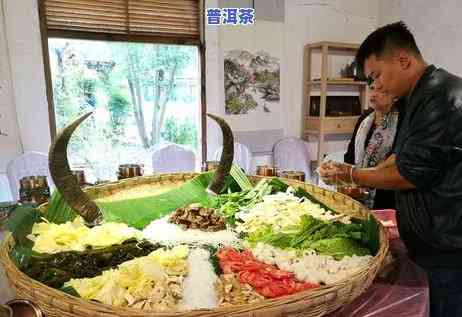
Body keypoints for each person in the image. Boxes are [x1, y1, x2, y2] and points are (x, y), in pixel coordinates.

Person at [319, 21, 462, 317]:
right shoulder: (420, 95)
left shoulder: (440, 98)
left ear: (403, 60)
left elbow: (407, 173)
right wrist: (352, 170)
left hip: (450, 244)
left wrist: (350, 174)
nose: (376, 86)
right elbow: (400, 158)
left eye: (377, 76)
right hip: (434, 242)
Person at [343, 88, 403, 209]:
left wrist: (368, 173)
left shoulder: (401, 120)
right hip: (358, 189)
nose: (374, 94)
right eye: (372, 89)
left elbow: (398, 157)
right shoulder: (364, 118)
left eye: (381, 90)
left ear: (395, 96)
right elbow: (350, 155)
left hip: (388, 194)